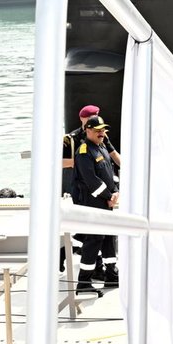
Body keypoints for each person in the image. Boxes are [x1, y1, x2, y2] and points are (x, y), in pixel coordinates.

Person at [70, 114, 120, 288]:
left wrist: (115, 192)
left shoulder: (102, 147)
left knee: (108, 237)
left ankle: (111, 274)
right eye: (98, 130)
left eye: (103, 129)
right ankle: (84, 281)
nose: (102, 133)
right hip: (92, 203)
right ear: (88, 130)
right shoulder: (84, 152)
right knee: (94, 239)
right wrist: (109, 196)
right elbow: (92, 181)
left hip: (106, 201)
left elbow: (110, 174)